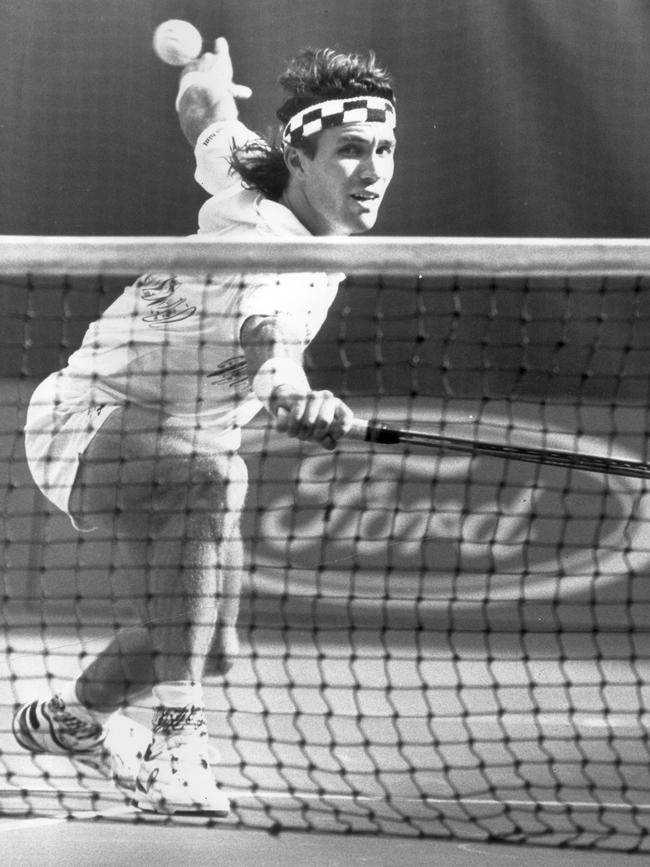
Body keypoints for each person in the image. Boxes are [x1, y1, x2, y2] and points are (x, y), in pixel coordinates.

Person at [14, 38, 397, 816]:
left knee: (208, 646)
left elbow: (207, 118)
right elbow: (268, 339)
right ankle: (177, 743)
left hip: (178, 435)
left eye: (385, 147)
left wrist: (204, 80)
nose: (372, 169)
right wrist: (293, 394)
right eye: (350, 150)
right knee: (219, 475)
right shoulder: (269, 250)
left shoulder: (249, 161)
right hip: (87, 418)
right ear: (303, 157)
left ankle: (74, 719)